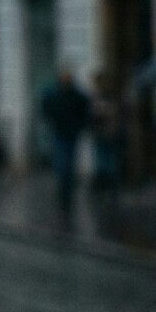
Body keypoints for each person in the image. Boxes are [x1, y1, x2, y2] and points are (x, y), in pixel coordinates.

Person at [38, 67, 93, 226]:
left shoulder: (76, 95)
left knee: (68, 168)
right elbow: (46, 107)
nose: (65, 79)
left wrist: (80, 126)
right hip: (60, 134)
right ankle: (63, 200)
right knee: (62, 167)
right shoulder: (55, 94)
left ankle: (66, 200)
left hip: (71, 135)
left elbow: (84, 108)